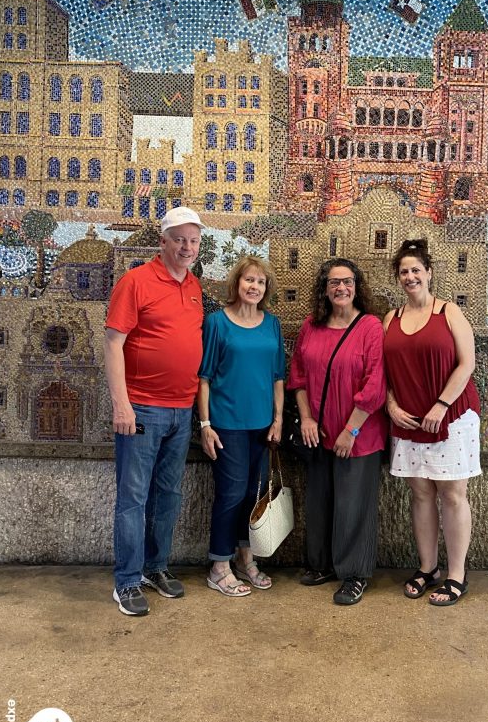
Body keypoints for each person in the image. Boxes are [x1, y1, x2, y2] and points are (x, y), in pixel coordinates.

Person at [104, 206, 205, 616]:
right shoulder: (136, 281)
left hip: (182, 410)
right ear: (162, 241)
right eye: (179, 239)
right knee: (132, 498)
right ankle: (126, 581)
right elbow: (113, 343)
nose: (186, 247)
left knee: (168, 496)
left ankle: (155, 567)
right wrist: (121, 404)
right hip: (142, 408)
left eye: (193, 240)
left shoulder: (195, 286)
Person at [383, 238, 481, 606]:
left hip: (451, 418)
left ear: (429, 273)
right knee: (421, 494)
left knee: (453, 495)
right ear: (399, 278)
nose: (410, 276)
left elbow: (466, 363)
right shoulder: (390, 319)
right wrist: (391, 404)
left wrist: (441, 404)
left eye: (416, 270)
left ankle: (457, 574)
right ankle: (428, 567)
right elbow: (384, 371)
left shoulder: (449, 313)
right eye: (404, 271)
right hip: (408, 420)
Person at [288, 259, 387, 606]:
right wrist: (307, 419)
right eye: (333, 283)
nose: (340, 288)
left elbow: (375, 384)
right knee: (320, 502)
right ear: (324, 289)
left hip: (357, 435)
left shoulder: (371, 326)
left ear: (357, 286)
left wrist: (351, 430)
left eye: (347, 282)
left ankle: (354, 574)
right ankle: (322, 565)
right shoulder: (310, 327)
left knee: (353, 504)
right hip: (319, 433)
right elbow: (297, 377)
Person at [197, 256, 285, 597]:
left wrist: (277, 420)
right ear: (237, 283)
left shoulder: (272, 324)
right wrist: (205, 424)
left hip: (262, 426)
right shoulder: (217, 323)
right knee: (231, 494)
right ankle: (219, 566)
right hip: (227, 424)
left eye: (260, 282)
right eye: (249, 280)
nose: (254, 287)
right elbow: (203, 378)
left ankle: (247, 560)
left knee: (253, 496)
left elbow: (278, 377)